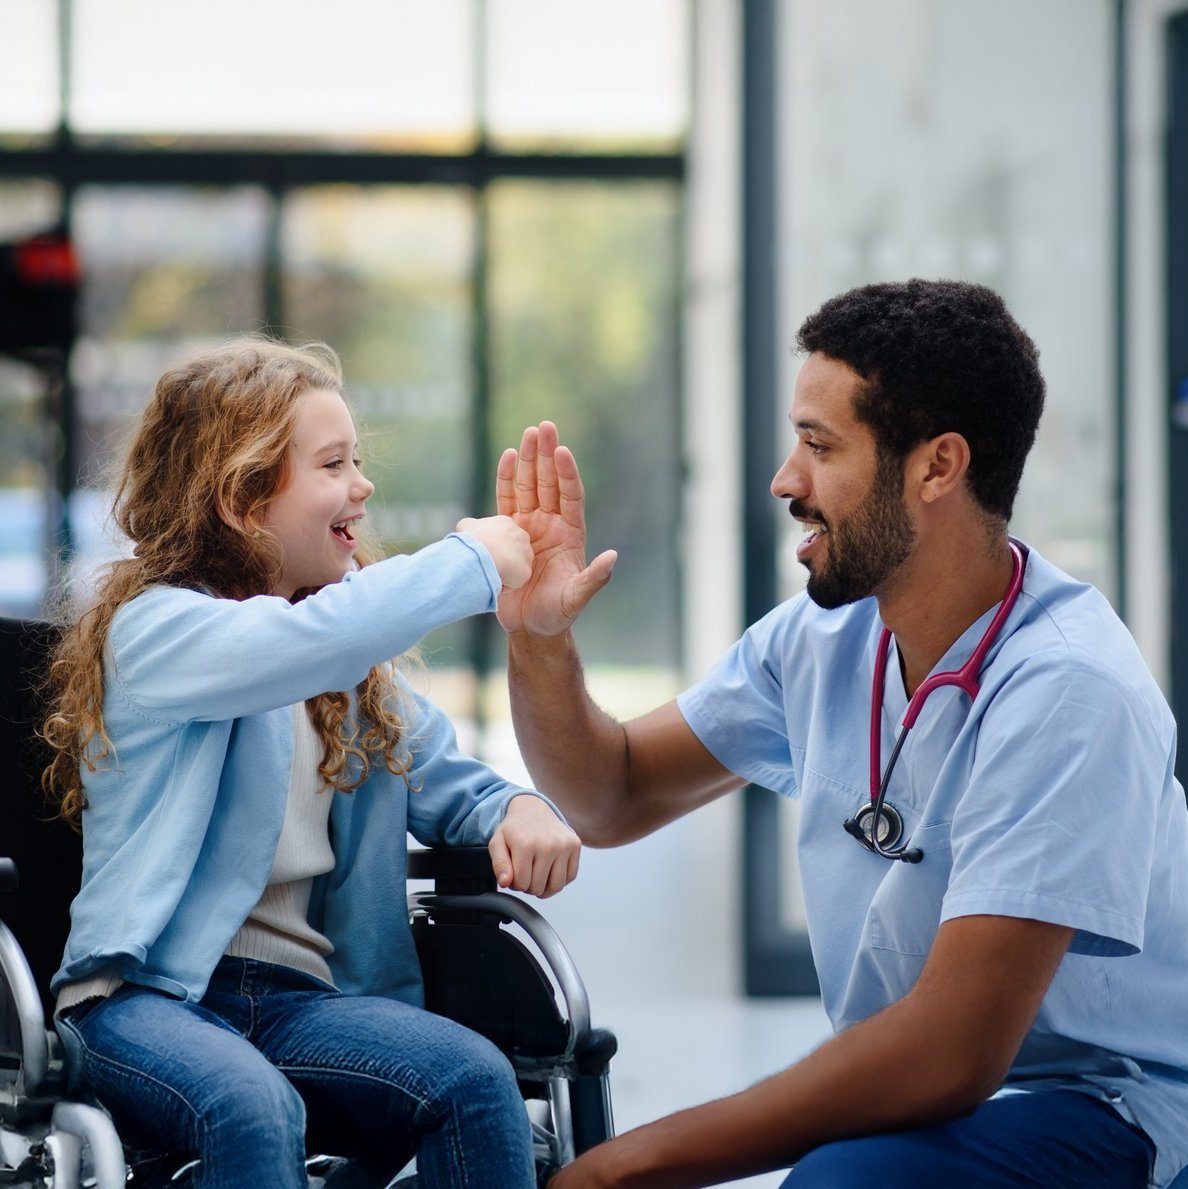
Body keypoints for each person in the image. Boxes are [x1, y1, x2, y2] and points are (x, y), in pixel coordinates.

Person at [497, 278, 1188, 1189]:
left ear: (937, 466)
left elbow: (950, 1054)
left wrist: (630, 1164)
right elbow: (611, 792)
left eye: (820, 446)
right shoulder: (825, 636)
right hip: (932, 1100)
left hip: (1109, 1102)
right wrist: (538, 640)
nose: (787, 479)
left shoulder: (1068, 689)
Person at [41, 338, 581, 1189]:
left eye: (358, 460)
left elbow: (447, 777)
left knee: (475, 1081)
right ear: (241, 496)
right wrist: (473, 559)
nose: (362, 486)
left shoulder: (350, 679)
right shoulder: (159, 633)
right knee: (249, 1105)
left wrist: (520, 808)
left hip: (299, 1004)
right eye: (333, 464)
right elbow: (303, 645)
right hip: (148, 1001)